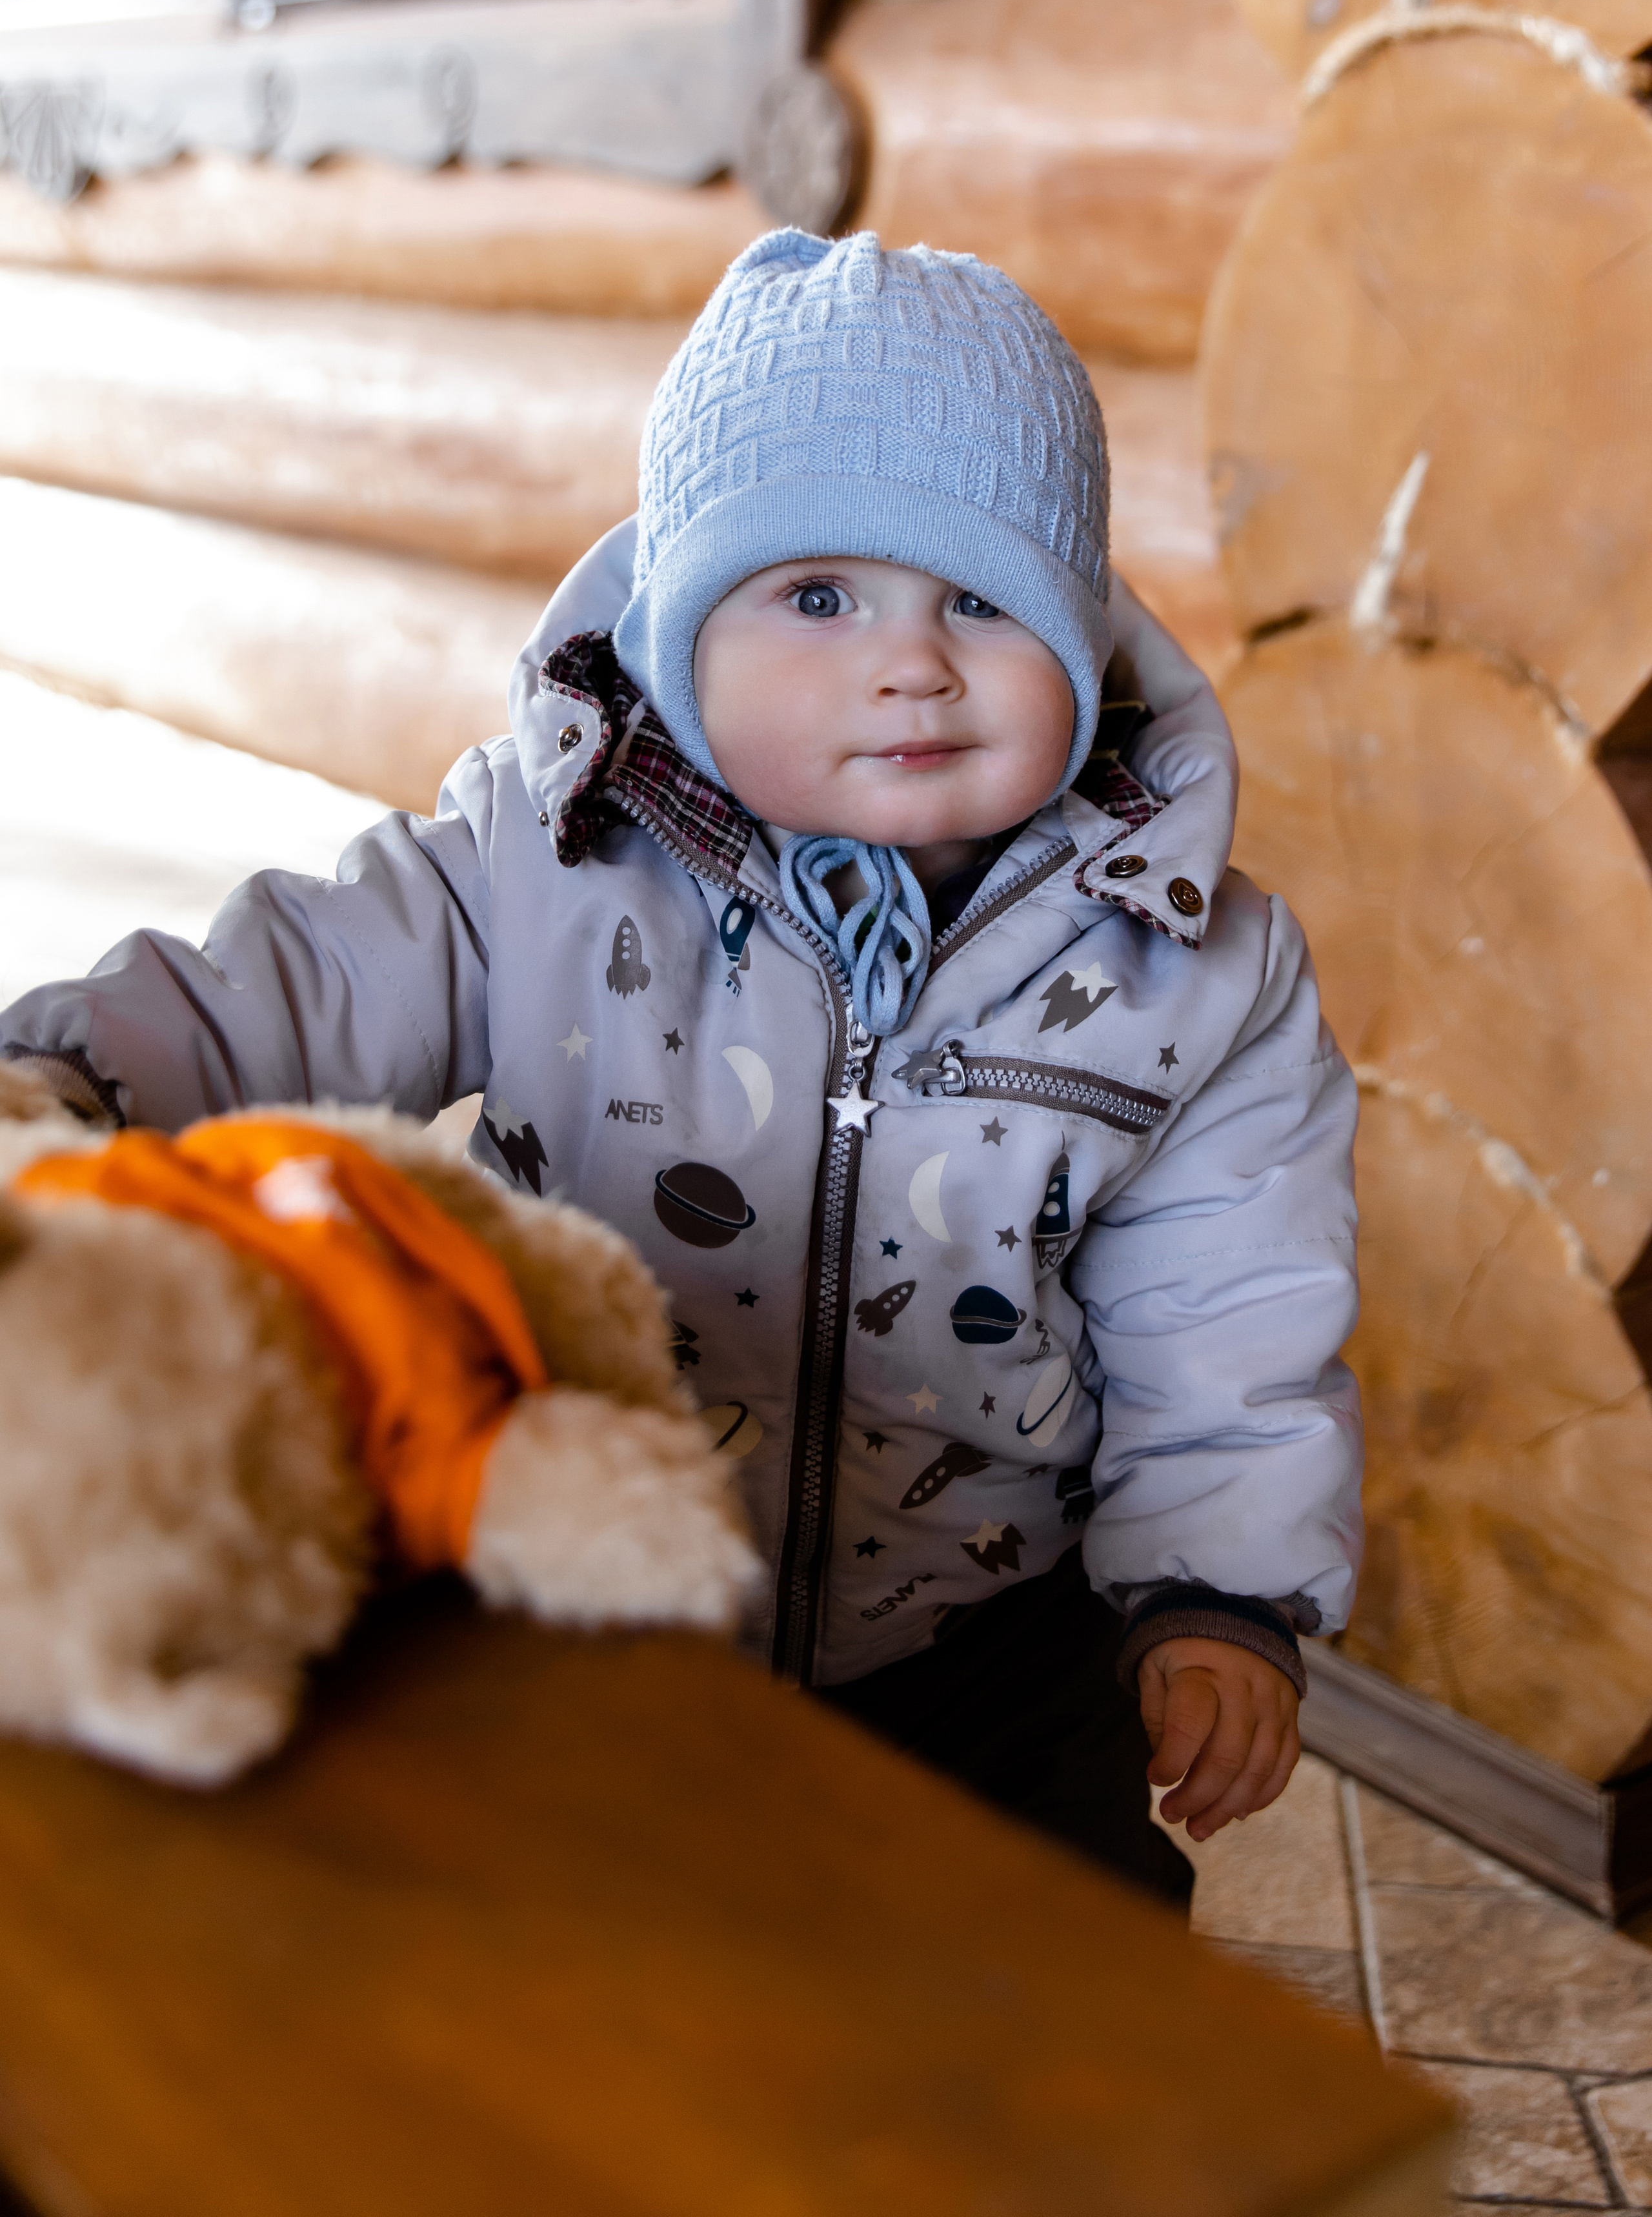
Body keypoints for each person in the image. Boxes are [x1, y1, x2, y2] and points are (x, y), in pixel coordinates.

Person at [1, 229, 1360, 1906]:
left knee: (1038, 1992)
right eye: (817, 597)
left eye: (983, 601)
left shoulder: (1193, 965)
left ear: (1082, 629)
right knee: (583, 1969)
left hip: (993, 1631)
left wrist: (1220, 1595)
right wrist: (65, 1083)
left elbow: (1233, 1310)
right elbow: (286, 979)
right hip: (584, 1579)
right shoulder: (534, 863)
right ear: (675, 630)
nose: (912, 661)